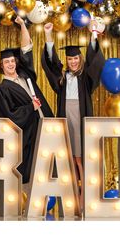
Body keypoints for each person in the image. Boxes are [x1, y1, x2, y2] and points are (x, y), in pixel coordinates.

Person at [41, 22, 105, 208]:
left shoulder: (85, 78)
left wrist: (93, 36)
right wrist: (48, 36)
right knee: (68, 156)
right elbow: (50, 64)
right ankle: (72, 194)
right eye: (70, 59)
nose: (73, 61)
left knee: (79, 157)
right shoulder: (62, 77)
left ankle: (85, 193)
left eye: (76, 58)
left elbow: (96, 63)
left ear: (80, 58)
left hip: (80, 116)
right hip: (65, 117)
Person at [0, 16, 54, 187]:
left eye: (13, 61)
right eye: (7, 62)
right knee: (32, 168)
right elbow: (9, 116)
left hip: (46, 123)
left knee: (49, 165)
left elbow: (26, 48)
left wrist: (22, 25)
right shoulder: (3, 89)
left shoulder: (25, 76)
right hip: (30, 132)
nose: (11, 64)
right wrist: (31, 107)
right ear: (2, 66)